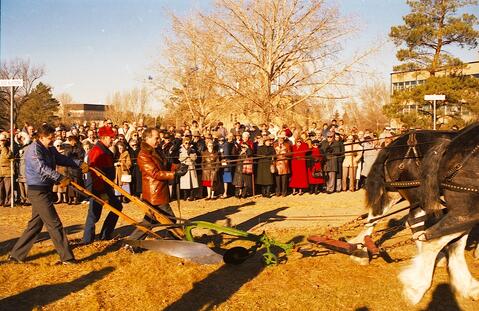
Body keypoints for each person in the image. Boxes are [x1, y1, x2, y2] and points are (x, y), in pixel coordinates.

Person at [8, 124, 88, 264]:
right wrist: (60, 178)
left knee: (35, 225)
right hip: (37, 191)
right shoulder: (33, 150)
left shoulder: (50, 149)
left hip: (45, 189)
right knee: (54, 224)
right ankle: (67, 258)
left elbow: (62, 159)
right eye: (50, 138)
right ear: (41, 137)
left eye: (53, 138)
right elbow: (42, 168)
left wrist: (79, 163)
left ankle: (15, 256)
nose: (52, 141)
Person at [127, 128, 187, 242]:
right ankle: (173, 241)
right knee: (170, 219)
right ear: (147, 138)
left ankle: (131, 243)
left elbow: (165, 165)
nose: (159, 140)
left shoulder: (156, 150)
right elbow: (155, 173)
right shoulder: (143, 155)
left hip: (159, 191)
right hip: (154, 195)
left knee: (149, 222)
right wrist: (174, 174)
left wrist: (178, 167)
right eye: (156, 138)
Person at [83, 126, 123, 244]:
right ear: (104, 137)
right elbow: (95, 173)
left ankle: (105, 235)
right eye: (111, 138)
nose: (113, 140)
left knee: (116, 207)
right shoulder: (97, 151)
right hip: (98, 188)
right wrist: (102, 192)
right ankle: (87, 239)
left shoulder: (104, 150)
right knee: (94, 214)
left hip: (105, 186)